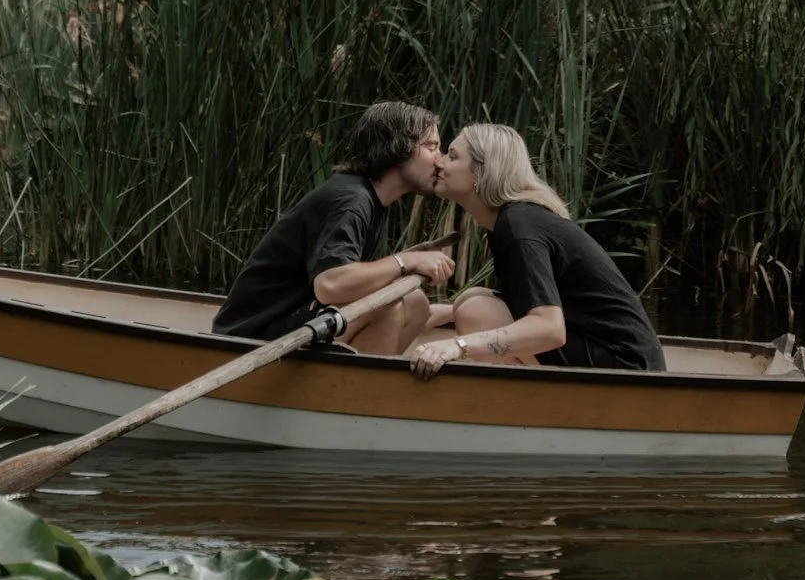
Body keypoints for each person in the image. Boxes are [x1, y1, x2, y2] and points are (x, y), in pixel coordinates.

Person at [408, 123, 665, 379]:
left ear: (483, 172)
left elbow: (549, 328)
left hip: (627, 371)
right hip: (628, 361)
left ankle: (528, 411)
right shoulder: (512, 221)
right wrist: (443, 313)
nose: (439, 163)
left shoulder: (519, 225)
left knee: (475, 312)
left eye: (452, 156)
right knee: (471, 300)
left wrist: (457, 346)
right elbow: (529, 303)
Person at [212, 100, 456, 356]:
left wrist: (451, 313)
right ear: (398, 147)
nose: (439, 161)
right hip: (253, 338)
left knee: (416, 303)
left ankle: (345, 385)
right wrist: (406, 260)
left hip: (298, 323)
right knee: (386, 304)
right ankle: (356, 391)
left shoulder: (375, 201)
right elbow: (329, 285)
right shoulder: (351, 201)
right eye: (431, 147)